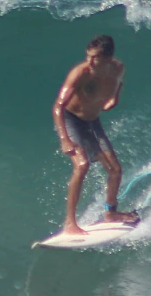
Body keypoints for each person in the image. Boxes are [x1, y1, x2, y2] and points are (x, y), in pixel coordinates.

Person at [52, 35, 137, 235]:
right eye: (87, 56)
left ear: (108, 58)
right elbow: (58, 106)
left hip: (92, 121)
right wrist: (64, 139)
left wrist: (113, 99)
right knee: (82, 165)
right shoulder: (80, 73)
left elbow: (116, 85)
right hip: (71, 119)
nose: (89, 61)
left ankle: (110, 213)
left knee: (115, 170)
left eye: (94, 58)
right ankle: (70, 223)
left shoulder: (117, 68)